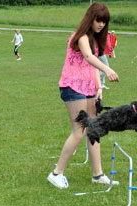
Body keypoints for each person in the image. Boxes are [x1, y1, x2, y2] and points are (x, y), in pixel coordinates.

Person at [48, 2, 120, 189]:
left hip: (88, 89)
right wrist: (108, 69)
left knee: (94, 129)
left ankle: (98, 175)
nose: (101, 25)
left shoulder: (94, 40)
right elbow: (89, 57)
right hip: (73, 87)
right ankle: (56, 174)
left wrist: (99, 87)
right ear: (91, 18)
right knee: (79, 131)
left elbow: (92, 65)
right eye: (99, 20)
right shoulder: (80, 37)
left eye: (104, 22)